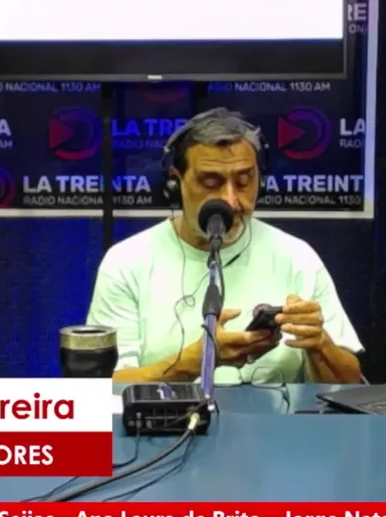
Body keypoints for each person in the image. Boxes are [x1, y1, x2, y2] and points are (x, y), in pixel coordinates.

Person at [86, 108, 364, 384]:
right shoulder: (126, 262)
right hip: (167, 415)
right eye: (210, 182)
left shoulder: (297, 257)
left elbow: (350, 388)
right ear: (175, 182)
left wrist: (319, 344)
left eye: (244, 181)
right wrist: (194, 363)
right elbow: (104, 389)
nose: (231, 201)